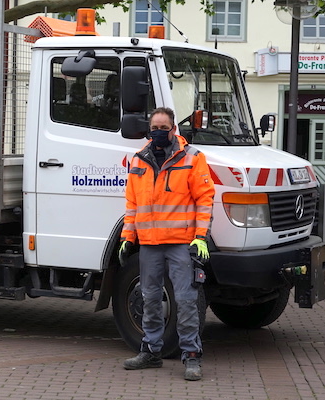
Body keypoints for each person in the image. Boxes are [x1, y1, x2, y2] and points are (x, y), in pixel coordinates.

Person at [118, 107, 215, 381]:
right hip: (149, 244)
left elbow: (204, 200)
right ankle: (150, 351)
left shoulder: (193, 158)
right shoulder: (138, 160)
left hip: (181, 244)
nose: (158, 131)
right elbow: (132, 204)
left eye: (164, 127)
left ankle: (191, 357)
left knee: (185, 301)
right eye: (154, 127)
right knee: (149, 299)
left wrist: (200, 237)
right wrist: (128, 237)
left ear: (174, 130)